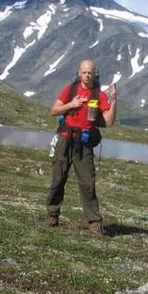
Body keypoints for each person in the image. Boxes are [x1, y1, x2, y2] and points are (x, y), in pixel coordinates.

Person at [46, 59, 117, 235]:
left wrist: (114, 101)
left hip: (84, 144)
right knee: (58, 179)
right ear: (79, 73)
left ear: (95, 74)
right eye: (84, 72)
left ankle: (94, 223)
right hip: (65, 139)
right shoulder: (70, 90)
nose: (87, 75)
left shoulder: (99, 95)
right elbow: (54, 110)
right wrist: (71, 104)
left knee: (87, 183)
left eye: (90, 72)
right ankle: (53, 215)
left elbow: (109, 121)